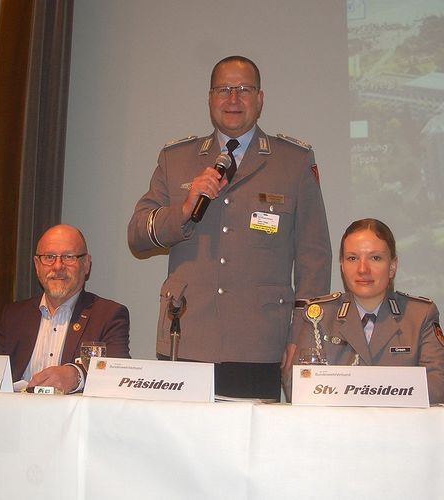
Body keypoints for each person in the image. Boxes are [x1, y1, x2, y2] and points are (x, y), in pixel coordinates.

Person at [127, 55, 332, 400]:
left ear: (260, 99)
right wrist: (184, 208)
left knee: (249, 449)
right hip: (186, 335)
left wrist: (302, 334)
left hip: (259, 344)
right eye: (224, 89)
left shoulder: (293, 161)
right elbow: (137, 236)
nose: (233, 99)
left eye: (244, 89)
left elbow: (314, 257)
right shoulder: (175, 158)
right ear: (209, 98)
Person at [284, 219, 444, 404]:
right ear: (342, 265)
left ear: (392, 267)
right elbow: (298, 386)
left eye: (375, 258)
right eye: (352, 258)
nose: (362, 269)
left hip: (402, 429)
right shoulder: (319, 316)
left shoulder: (419, 315)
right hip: (337, 428)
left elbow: (438, 388)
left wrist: (362, 390)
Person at [0, 224, 130, 393]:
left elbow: (117, 371)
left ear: (86, 264)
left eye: (68, 257)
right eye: (49, 257)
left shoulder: (108, 315)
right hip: (16, 414)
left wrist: (76, 375)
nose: (58, 266)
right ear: (37, 265)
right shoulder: (14, 315)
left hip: (73, 417)